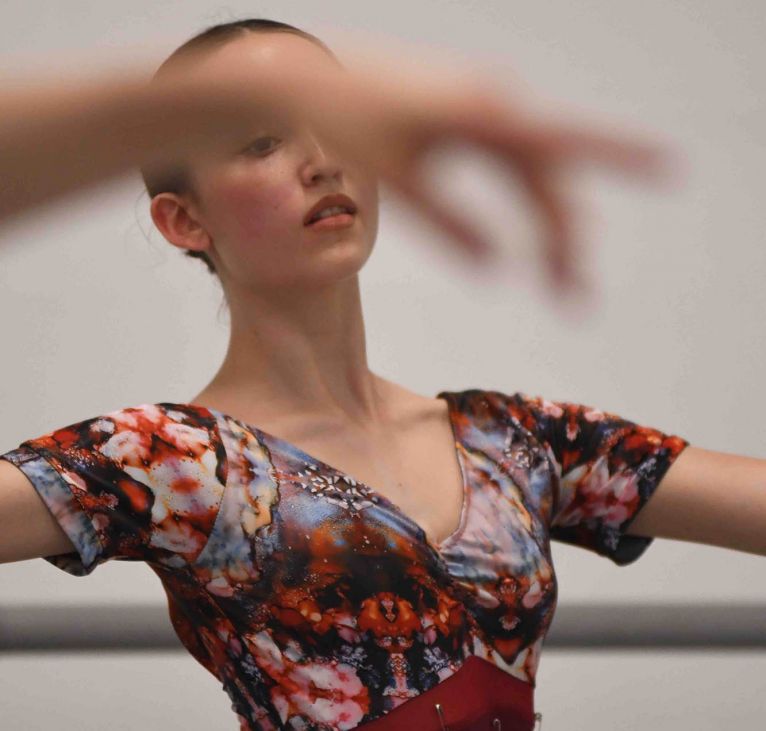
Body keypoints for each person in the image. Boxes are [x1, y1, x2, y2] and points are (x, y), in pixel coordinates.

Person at [0, 17, 763, 731]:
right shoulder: (174, 460)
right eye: (261, 140)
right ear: (183, 220)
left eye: (336, 124)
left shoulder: (516, 440)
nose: (322, 160)